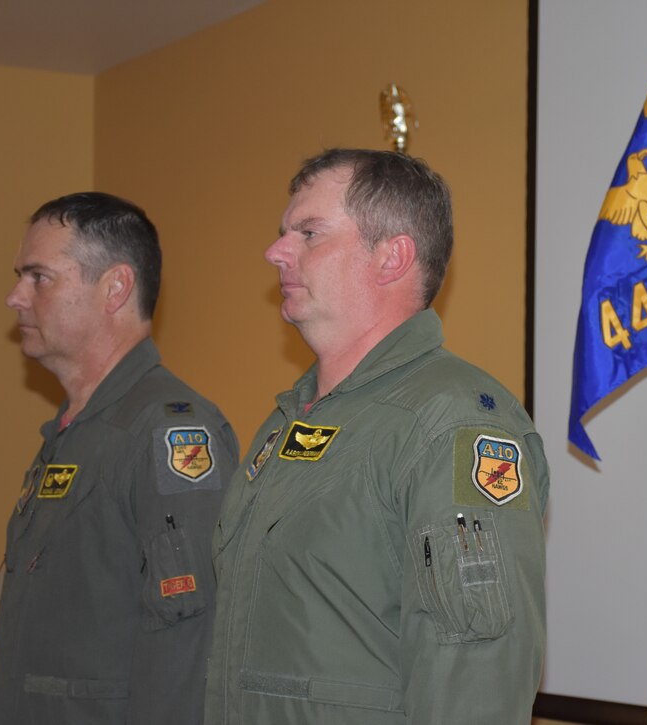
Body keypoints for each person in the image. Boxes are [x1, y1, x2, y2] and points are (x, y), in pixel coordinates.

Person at [204, 149, 549, 724]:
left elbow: (476, 674)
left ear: (392, 257)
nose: (276, 251)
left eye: (309, 232)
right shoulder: (291, 419)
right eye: (283, 233)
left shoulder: (451, 421)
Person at [0, 192, 239, 725]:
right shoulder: (74, 432)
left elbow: (190, 638)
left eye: (39, 277)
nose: (15, 297)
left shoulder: (168, 429)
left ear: (115, 288)